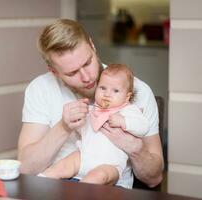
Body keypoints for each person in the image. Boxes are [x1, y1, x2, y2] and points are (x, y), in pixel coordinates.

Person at [18, 19, 164, 188]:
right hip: (55, 188)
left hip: (110, 189)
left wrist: (136, 149)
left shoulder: (138, 90)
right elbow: (25, 169)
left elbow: (154, 179)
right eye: (72, 73)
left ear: (92, 46)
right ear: (54, 72)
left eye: (87, 63)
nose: (86, 77)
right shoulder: (40, 88)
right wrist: (63, 127)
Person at [39, 64, 150, 188]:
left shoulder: (128, 111)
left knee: (99, 176)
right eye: (103, 88)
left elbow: (143, 127)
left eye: (115, 91)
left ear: (127, 96)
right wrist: (78, 119)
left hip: (110, 164)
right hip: (84, 156)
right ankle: (38, 183)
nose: (107, 94)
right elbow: (84, 131)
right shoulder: (93, 110)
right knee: (62, 166)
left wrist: (124, 122)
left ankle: (76, 193)